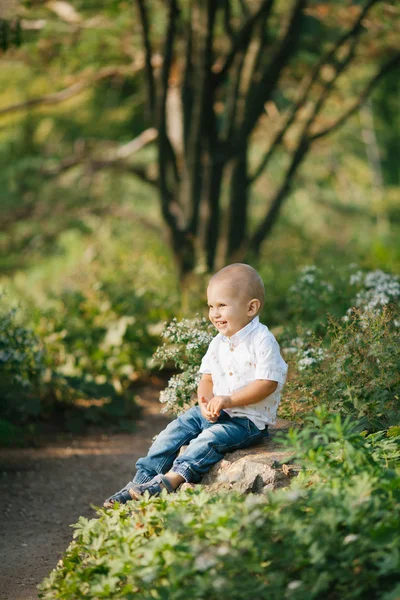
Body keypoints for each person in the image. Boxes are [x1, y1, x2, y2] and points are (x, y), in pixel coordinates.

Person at [104, 263, 288, 506]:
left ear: (251, 307)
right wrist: (204, 402)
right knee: (173, 431)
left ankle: (169, 481)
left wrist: (229, 400)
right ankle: (142, 479)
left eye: (222, 305)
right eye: (211, 306)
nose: (214, 313)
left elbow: (267, 384)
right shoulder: (218, 342)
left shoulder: (262, 341)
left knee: (209, 439)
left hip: (247, 422)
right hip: (217, 410)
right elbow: (207, 379)